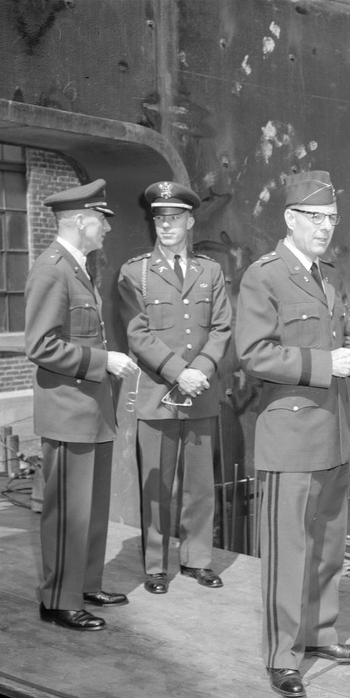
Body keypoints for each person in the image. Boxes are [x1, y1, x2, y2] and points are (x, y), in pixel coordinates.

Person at [235, 170, 350, 698]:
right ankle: (281, 656)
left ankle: (318, 635)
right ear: (291, 219)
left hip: (331, 437)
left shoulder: (325, 277)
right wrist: (326, 362)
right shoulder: (265, 277)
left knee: (326, 548)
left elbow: (327, 344)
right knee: (288, 552)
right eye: (315, 218)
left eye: (332, 219)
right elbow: (253, 354)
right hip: (290, 438)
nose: (325, 228)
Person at [24, 179, 139, 631]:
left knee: (90, 507)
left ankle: (86, 583)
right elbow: (40, 345)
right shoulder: (52, 269)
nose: (107, 230)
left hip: (90, 408)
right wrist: (103, 360)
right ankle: (59, 599)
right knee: (67, 511)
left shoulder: (76, 268)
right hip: (69, 410)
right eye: (102, 222)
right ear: (80, 222)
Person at [117, 181, 233, 594]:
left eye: (174, 218)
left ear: (190, 221)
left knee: (200, 484)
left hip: (200, 392)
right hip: (157, 394)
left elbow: (221, 328)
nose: (165, 226)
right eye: (159, 219)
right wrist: (177, 371)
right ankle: (155, 565)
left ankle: (197, 560)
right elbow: (137, 334)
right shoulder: (136, 273)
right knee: (157, 486)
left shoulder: (211, 271)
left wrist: (198, 370)